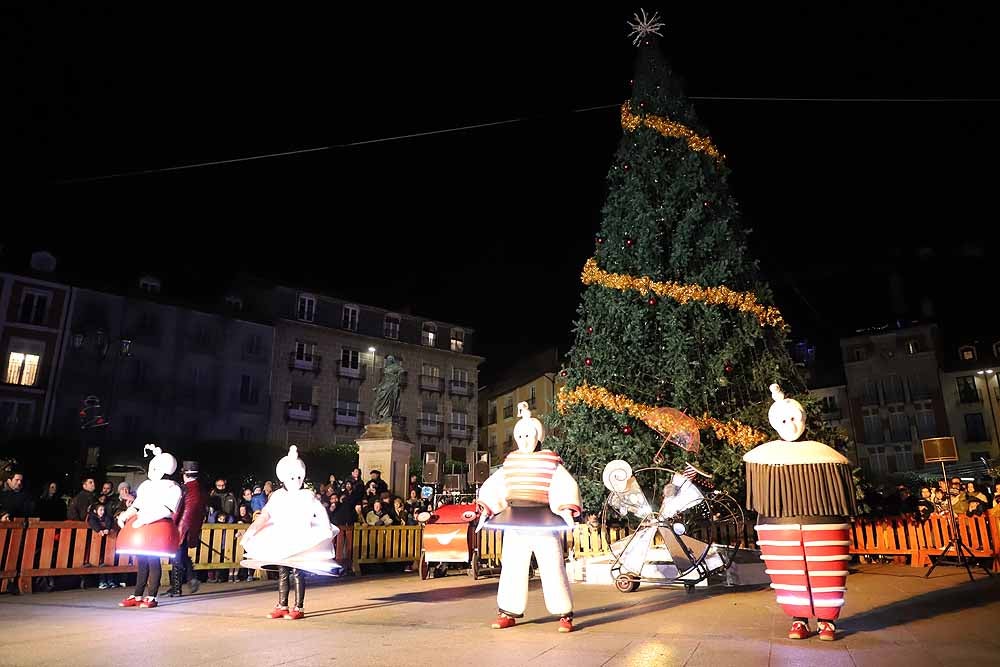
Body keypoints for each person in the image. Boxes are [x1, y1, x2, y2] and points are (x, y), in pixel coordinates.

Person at [744, 384, 857, 642]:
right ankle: (799, 619)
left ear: (803, 419)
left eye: (794, 418)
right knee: (790, 572)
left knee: (825, 569)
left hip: (824, 524)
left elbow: (840, 493)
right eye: (784, 420)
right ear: (775, 423)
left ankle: (827, 620)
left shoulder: (826, 455)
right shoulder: (764, 458)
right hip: (779, 525)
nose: (790, 425)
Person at [478, 402, 581, 633]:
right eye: (521, 435)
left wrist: (565, 509)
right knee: (512, 566)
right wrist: (486, 509)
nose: (525, 440)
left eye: (529, 435)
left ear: (538, 436)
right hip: (515, 521)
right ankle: (507, 611)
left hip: (545, 522)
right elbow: (495, 487)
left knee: (553, 566)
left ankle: (564, 613)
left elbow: (564, 485)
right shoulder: (510, 463)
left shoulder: (550, 462)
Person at [240, 446, 341, 620]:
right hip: (281, 537)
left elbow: (320, 511)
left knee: (297, 570)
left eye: (298, 477)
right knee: (283, 570)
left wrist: (325, 528)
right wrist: (252, 530)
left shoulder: (307, 495)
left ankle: (298, 607)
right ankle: (282, 604)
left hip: (301, 536)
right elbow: (266, 514)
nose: (295, 480)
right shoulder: (278, 496)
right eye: (292, 477)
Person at [117, 444, 183, 609]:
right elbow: (137, 505)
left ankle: (152, 595)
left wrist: (146, 519)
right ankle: (138, 594)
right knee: (142, 561)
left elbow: (167, 509)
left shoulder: (172, 487)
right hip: (141, 528)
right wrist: (126, 514)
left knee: (153, 561)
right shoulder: (146, 486)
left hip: (157, 528)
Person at [170, 461, 207, 596]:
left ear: (185, 474)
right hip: (193, 526)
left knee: (177, 556)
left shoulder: (183, 489)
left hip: (181, 526)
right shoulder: (201, 490)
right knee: (182, 553)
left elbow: (177, 509)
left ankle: (176, 588)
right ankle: (191, 579)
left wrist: (171, 523)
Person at [87, 504, 114, 589]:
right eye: (100, 510)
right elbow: (92, 522)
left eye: (103, 510)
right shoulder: (92, 517)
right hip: (95, 543)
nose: (102, 512)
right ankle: (102, 581)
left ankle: (110, 580)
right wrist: (99, 530)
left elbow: (109, 521)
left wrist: (108, 529)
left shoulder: (106, 517)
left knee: (108, 561)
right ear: (95, 511)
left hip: (107, 543)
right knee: (100, 561)